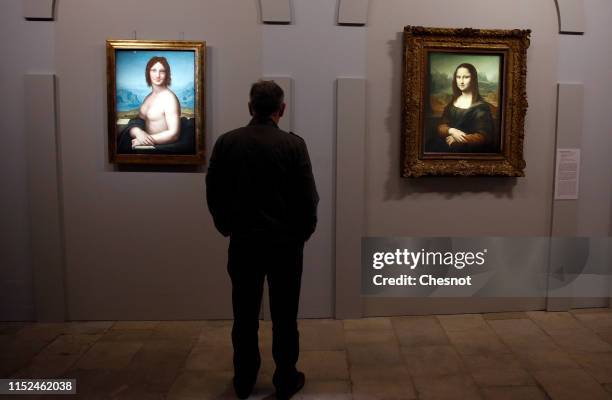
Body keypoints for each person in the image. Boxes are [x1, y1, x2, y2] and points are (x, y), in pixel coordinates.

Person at [206, 80, 318, 399]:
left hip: (243, 243)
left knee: (244, 315)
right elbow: (308, 198)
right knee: (285, 316)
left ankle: (244, 379)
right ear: (281, 109)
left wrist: (226, 227)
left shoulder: (227, 142)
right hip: (285, 245)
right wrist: (302, 234)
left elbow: (214, 191)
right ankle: (285, 379)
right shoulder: (293, 145)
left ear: (250, 107)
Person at [117, 56, 195, 154]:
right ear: (148, 73)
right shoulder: (148, 97)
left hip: (159, 148)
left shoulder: (169, 98)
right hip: (147, 145)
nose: (157, 75)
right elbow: (138, 122)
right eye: (153, 70)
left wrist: (144, 140)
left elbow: (174, 134)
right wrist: (138, 132)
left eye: (162, 71)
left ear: (167, 74)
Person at [436, 63, 497, 153]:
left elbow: (484, 137)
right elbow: (441, 126)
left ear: (473, 79)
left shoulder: (481, 107)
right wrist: (451, 130)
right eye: (458, 77)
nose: (461, 81)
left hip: (471, 151)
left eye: (466, 77)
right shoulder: (453, 102)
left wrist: (459, 139)